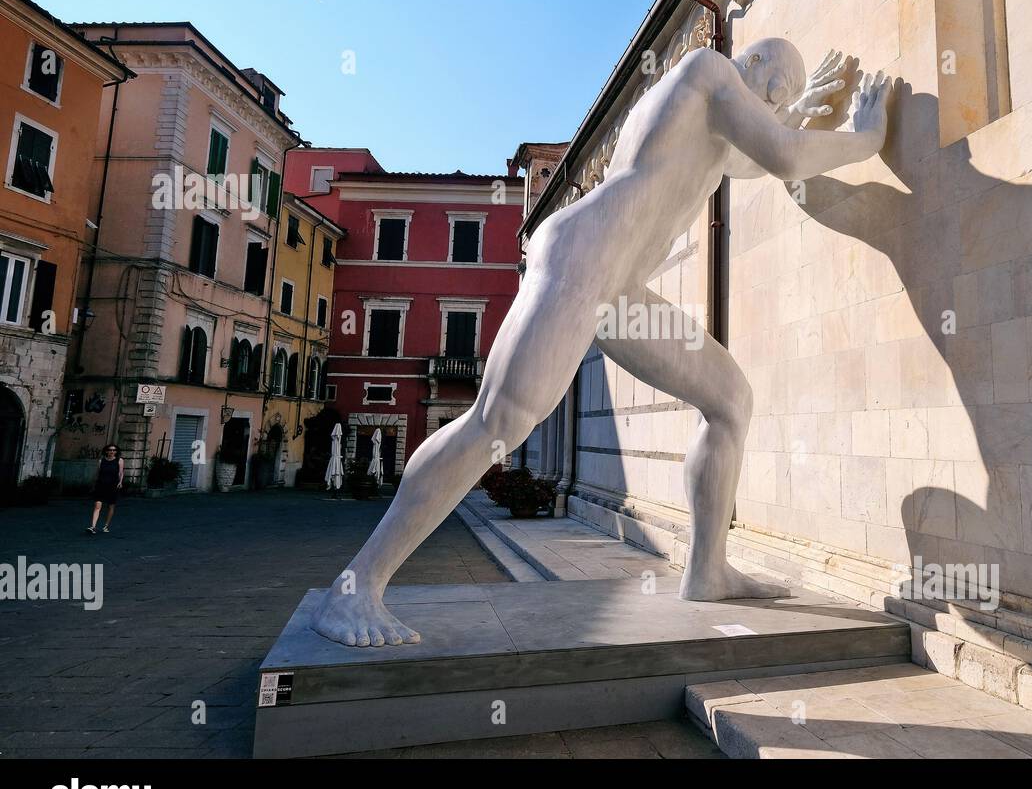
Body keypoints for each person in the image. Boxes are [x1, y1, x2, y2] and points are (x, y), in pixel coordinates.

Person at [312, 38, 892, 646]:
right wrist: (866, 138)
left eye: (785, 98)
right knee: (498, 422)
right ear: (750, 63)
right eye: (778, 86)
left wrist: (803, 117)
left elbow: (762, 154)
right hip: (583, 261)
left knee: (730, 400)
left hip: (619, 290)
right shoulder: (708, 68)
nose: (777, 101)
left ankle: (708, 569)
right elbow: (785, 157)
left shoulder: (715, 123)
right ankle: (356, 589)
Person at [88, 444, 124, 535]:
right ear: (106, 451)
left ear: (116, 451)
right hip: (101, 485)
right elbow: (97, 473)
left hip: (113, 486)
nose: (112, 452)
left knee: (111, 506)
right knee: (97, 506)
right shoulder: (101, 461)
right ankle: (93, 527)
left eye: (114, 450)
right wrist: (93, 483)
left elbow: (121, 472)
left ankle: (106, 525)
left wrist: (120, 482)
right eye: (110, 450)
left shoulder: (119, 460)